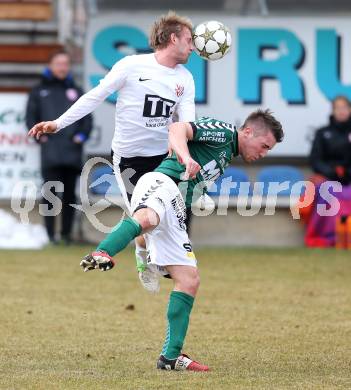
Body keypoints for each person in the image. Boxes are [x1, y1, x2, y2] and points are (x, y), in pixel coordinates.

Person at [80, 110, 284, 371]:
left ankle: (170, 357)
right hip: (162, 182)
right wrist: (185, 157)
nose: (264, 153)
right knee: (148, 218)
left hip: (176, 204)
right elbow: (177, 129)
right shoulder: (223, 131)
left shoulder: (227, 152)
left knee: (189, 279)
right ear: (247, 132)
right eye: (264, 145)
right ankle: (103, 252)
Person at [28, 11, 195, 278]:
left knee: (161, 219)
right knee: (145, 221)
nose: (193, 46)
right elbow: (95, 96)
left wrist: (185, 155)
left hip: (164, 158)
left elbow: (188, 122)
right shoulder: (131, 66)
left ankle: (161, 261)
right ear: (173, 38)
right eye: (188, 39)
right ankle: (143, 254)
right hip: (130, 159)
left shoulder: (184, 77)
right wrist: (58, 123)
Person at [26, 50, 93, 244]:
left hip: (72, 152)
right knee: (50, 193)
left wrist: (81, 136)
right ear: (50, 66)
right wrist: (41, 139)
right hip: (50, 152)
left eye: (66, 64)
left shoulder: (76, 91)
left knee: (70, 195)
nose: (63, 68)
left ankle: (65, 234)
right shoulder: (39, 91)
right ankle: (49, 235)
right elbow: (30, 117)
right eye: (59, 64)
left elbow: (86, 118)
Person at [304, 96, 351, 247]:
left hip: (349, 180)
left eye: (344, 107)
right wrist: (333, 173)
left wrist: (347, 173)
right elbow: (315, 160)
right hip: (328, 179)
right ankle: (327, 236)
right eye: (338, 108)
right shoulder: (322, 133)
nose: (341, 111)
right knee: (327, 191)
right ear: (333, 111)